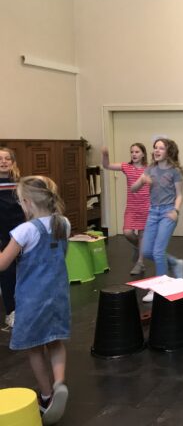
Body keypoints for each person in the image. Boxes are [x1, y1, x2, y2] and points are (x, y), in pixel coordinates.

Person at [0, 176, 71, 425]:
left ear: (28, 202)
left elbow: (3, 264)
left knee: (34, 347)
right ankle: (60, 382)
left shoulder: (25, 230)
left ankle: (47, 395)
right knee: (55, 341)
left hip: (32, 297)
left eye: (21, 202)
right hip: (58, 293)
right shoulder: (63, 223)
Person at [131, 138, 183, 302]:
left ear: (169, 151)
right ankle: (175, 263)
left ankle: (159, 288)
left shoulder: (175, 172)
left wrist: (176, 210)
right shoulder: (150, 169)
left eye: (161, 148)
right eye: (155, 147)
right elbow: (133, 188)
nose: (157, 150)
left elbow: (179, 195)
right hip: (153, 212)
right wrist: (142, 180)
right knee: (147, 251)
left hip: (168, 212)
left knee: (158, 251)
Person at [101, 144, 150, 275]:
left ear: (143, 154)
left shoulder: (149, 169)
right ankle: (138, 247)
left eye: (137, 152)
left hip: (146, 206)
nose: (134, 154)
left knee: (142, 235)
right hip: (132, 207)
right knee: (127, 232)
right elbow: (106, 165)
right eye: (132, 152)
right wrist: (105, 155)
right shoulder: (127, 167)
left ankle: (140, 263)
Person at [0, 146, 25, 329]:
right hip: (2, 234)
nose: (3, 162)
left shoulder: (20, 183)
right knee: (7, 272)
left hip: (22, 231)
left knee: (25, 270)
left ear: (13, 162)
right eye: (0, 159)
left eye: (7, 158)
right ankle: (11, 311)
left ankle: (26, 306)